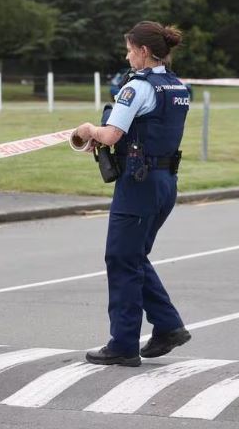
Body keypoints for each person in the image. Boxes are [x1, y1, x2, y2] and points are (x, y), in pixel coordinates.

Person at [72, 21, 192, 367]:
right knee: (133, 257)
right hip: (165, 182)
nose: (127, 55)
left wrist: (87, 130)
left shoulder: (136, 88)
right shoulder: (177, 86)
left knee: (121, 259)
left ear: (142, 51)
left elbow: (110, 135)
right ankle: (168, 326)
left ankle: (124, 343)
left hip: (138, 183)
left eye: (129, 49)